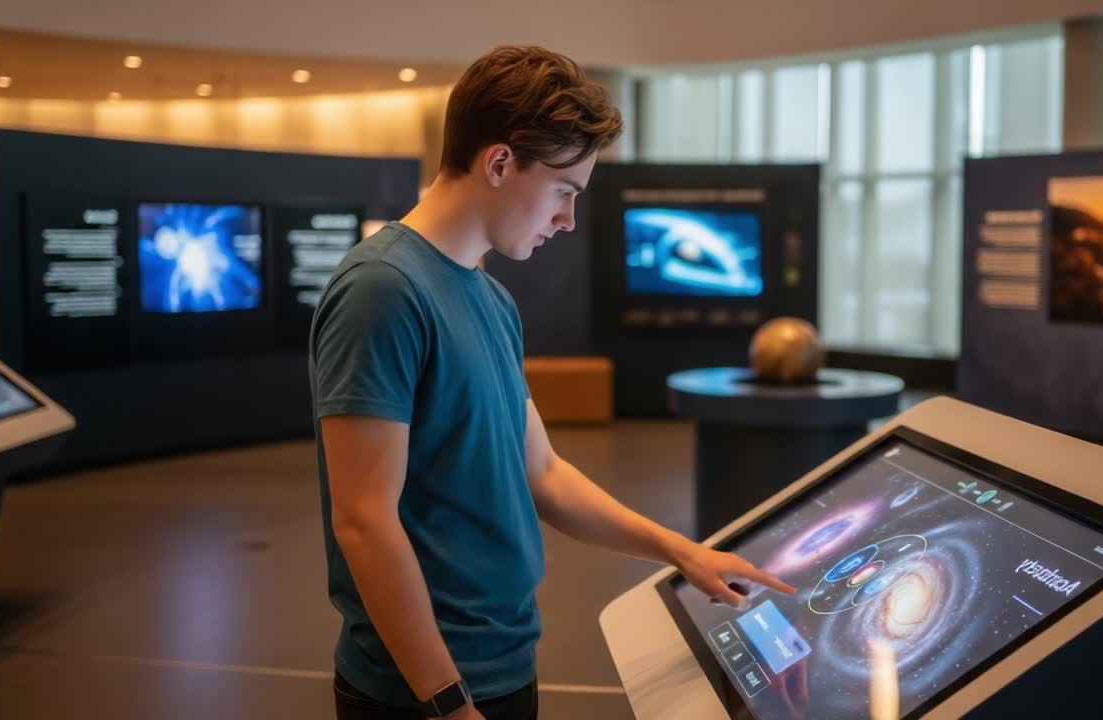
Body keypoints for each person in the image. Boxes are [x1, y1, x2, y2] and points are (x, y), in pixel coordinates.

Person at [310, 45, 795, 720]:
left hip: (503, 667)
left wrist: (680, 551)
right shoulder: (382, 291)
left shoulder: (491, 300)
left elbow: (542, 470)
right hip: (424, 693)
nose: (568, 219)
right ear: (500, 162)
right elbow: (364, 522)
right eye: (565, 190)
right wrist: (447, 701)